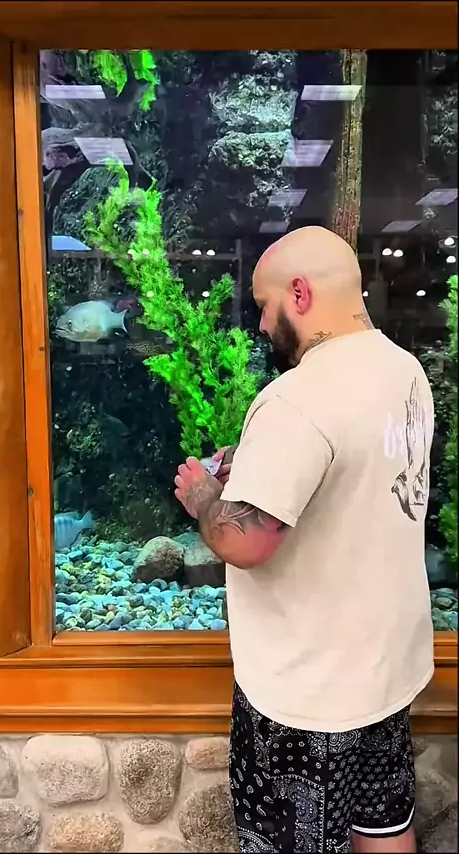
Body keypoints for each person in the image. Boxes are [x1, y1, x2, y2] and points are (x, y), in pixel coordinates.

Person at [174, 225, 435, 854]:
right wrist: (257, 469)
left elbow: (245, 542)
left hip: (308, 694)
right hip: (387, 669)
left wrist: (202, 495)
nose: (263, 326)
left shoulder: (297, 397)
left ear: (299, 293)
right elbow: (352, 480)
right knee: (384, 826)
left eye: (265, 306)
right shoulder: (404, 371)